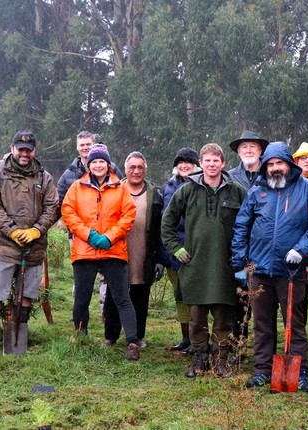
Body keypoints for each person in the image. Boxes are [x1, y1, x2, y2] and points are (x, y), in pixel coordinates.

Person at [231, 142, 308, 392]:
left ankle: (300, 370)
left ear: (289, 165)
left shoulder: (307, 190)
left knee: (294, 322)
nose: (275, 168)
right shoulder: (257, 192)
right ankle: (262, 370)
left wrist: (301, 249)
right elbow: (242, 226)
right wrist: (239, 262)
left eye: (279, 163)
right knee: (262, 323)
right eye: (270, 164)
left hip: (291, 271)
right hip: (260, 269)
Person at [0, 131, 58, 362]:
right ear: (12, 148)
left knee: (26, 295)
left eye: (28, 149)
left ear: (34, 151)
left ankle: (16, 341)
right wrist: (12, 230)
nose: (24, 153)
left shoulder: (44, 177)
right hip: (4, 247)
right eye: (20, 148)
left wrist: (36, 230)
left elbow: (52, 207)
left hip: (34, 247)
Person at [162, 143, 246, 377]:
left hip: (224, 267)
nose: (211, 165)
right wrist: (175, 249)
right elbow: (166, 223)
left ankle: (221, 360)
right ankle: (200, 359)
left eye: (216, 161)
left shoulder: (237, 191)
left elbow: (250, 225)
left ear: (223, 163)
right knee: (196, 318)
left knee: (223, 319)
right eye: (207, 161)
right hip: (194, 266)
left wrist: (242, 258)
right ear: (201, 163)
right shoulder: (187, 190)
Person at [61, 144, 140, 360]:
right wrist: (89, 235)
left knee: (122, 298)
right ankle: (79, 336)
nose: (98, 165)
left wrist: (109, 237)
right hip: (85, 251)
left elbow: (128, 215)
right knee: (82, 298)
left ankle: (132, 342)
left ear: (108, 164)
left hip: (113, 250)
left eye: (102, 162)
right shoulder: (77, 187)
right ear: (89, 165)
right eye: (94, 162)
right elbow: (68, 212)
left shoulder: (120, 187)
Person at [102, 152, 164, 349]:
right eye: (132, 167)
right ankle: (111, 336)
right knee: (114, 295)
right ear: (125, 169)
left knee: (140, 295)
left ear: (145, 170)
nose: (136, 171)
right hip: (117, 252)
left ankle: (136, 336)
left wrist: (160, 259)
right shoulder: (114, 190)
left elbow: (161, 228)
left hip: (144, 253)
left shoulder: (156, 194)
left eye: (140, 168)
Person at [162, 147, 200, 353]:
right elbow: (163, 220)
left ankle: (198, 340)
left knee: (195, 297)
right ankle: (186, 338)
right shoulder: (168, 186)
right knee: (180, 296)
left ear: (196, 165)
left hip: (195, 250)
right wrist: (165, 254)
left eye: (188, 161)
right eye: (180, 162)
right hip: (173, 249)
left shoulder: (201, 185)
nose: (184, 165)